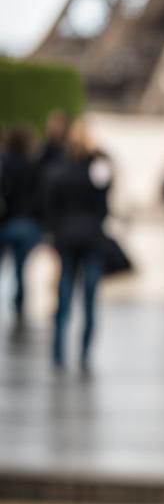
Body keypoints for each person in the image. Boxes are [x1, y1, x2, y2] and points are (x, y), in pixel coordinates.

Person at [45, 121, 113, 371]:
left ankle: (58, 353)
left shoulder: (59, 170)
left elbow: (51, 205)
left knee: (63, 298)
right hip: (91, 239)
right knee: (89, 299)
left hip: (66, 239)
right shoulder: (98, 169)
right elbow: (104, 205)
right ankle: (84, 352)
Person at [0, 124, 45, 325]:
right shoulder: (35, 167)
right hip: (28, 224)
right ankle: (19, 305)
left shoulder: (6, 165)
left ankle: (18, 305)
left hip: (8, 222)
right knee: (21, 270)